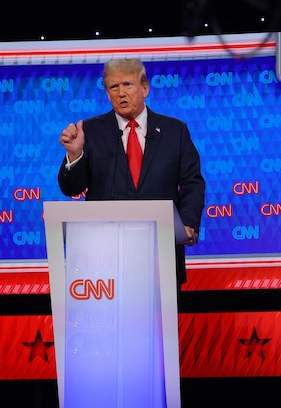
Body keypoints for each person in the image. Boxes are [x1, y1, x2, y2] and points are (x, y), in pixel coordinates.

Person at [58, 58, 206, 285]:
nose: (121, 93)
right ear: (107, 94)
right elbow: (71, 188)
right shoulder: (90, 131)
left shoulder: (174, 130)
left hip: (161, 251)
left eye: (127, 84)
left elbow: (192, 182)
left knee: (160, 320)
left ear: (145, 88)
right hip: (104, 256)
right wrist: (75, 155)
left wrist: (188, 224)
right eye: (113, 87)